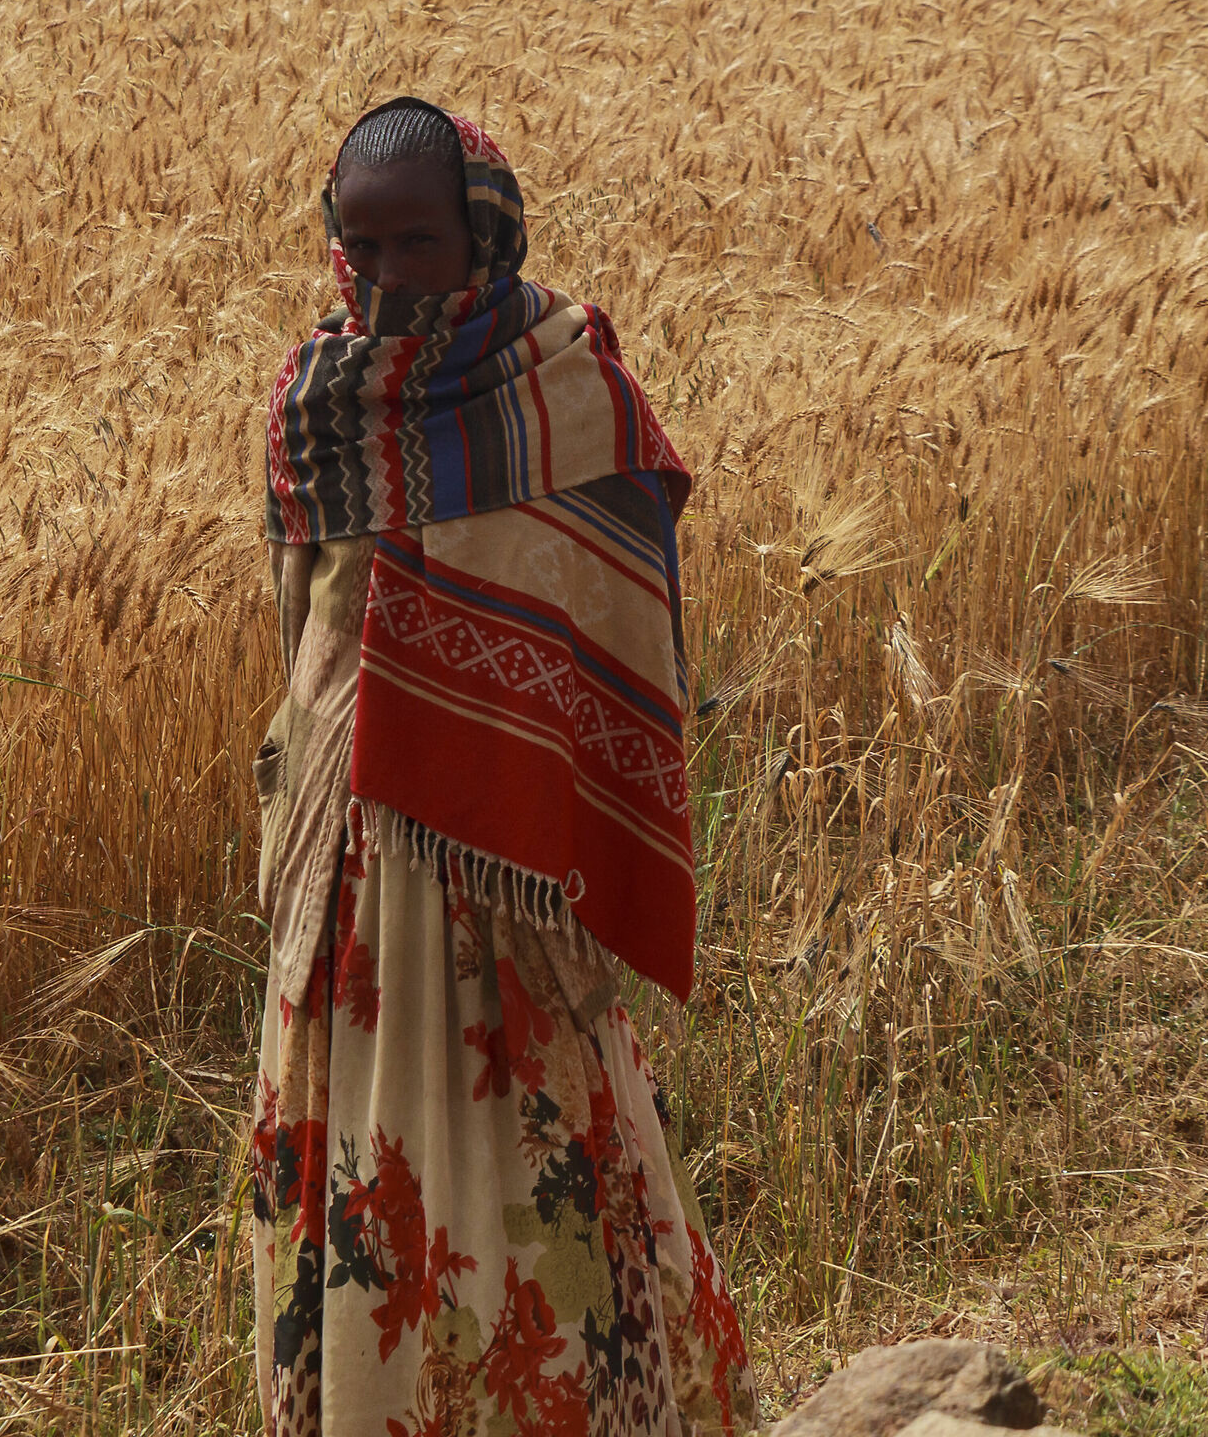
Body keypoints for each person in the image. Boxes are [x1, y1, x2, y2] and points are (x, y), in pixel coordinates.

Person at [250, 97, 756, 1437]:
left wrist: (525, 746)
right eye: (362, 244)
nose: (387, 273)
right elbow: (298, 632)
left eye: (418, 239)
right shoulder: (318, 401)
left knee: (530, 1158)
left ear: (483, 232)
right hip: (355, 877)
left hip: (512, 880)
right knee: (364, 1160)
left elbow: (627, 603)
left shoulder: (565, 387)